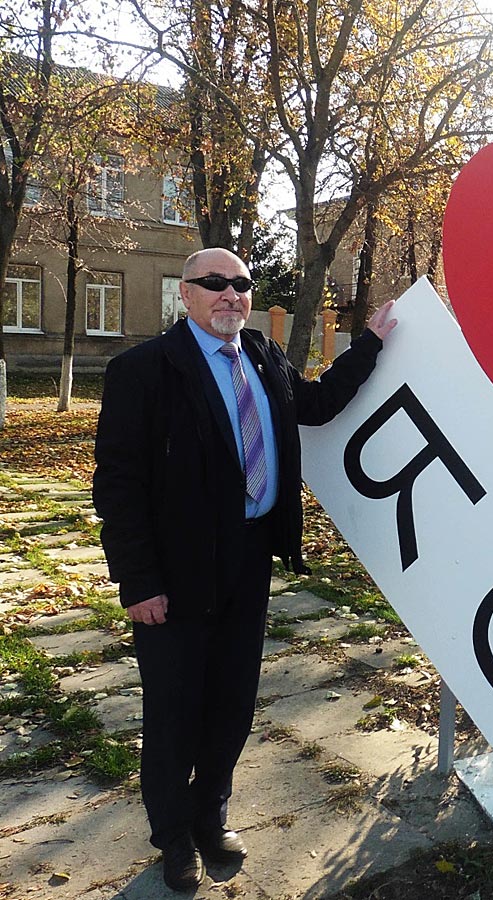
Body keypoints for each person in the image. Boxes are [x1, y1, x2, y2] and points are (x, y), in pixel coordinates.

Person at [93, 247, 396, 891]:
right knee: (174, 712)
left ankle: (212, 817)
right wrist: (138, 582)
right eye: (214, 284)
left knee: (232, 703)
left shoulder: (261, 355)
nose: (231, 294)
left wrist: (370, 343)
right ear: (187, 294)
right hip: (173, 577)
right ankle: (172, 837)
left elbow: (316, 404)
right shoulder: (142, 371)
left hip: (249, 559)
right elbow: (118, 486)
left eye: (241, 284)